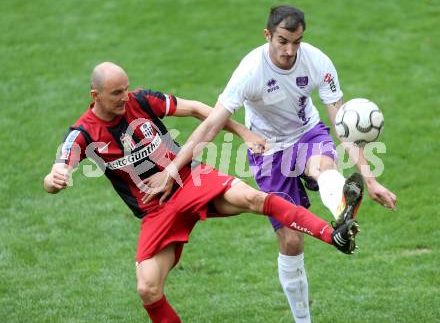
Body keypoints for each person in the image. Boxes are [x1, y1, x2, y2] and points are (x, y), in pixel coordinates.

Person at [43, 62, 360, 323]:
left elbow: (195, 108)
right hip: (156, 211)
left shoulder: (140, 101)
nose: (125, 97)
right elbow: (58, 169)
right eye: (116, 93)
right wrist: (56, 177)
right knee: (148, 290)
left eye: (126, 88)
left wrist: (242, 131)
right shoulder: (83, 133)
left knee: (252, 199)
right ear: (95, 95)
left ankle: (333, 235)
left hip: (189, 179)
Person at [143, 6, 397, 322]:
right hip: (267, 150)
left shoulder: (317, 62)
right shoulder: (250, 71)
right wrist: (171, 169)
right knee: (291, 241)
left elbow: (342, 123)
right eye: (283, 41)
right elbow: (210, 126)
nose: (290, 50)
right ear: (268, 36)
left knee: (323, 168)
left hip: (307, 134)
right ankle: (303, 319)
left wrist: (370, 179)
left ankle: (342, 212)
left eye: (297, 42)